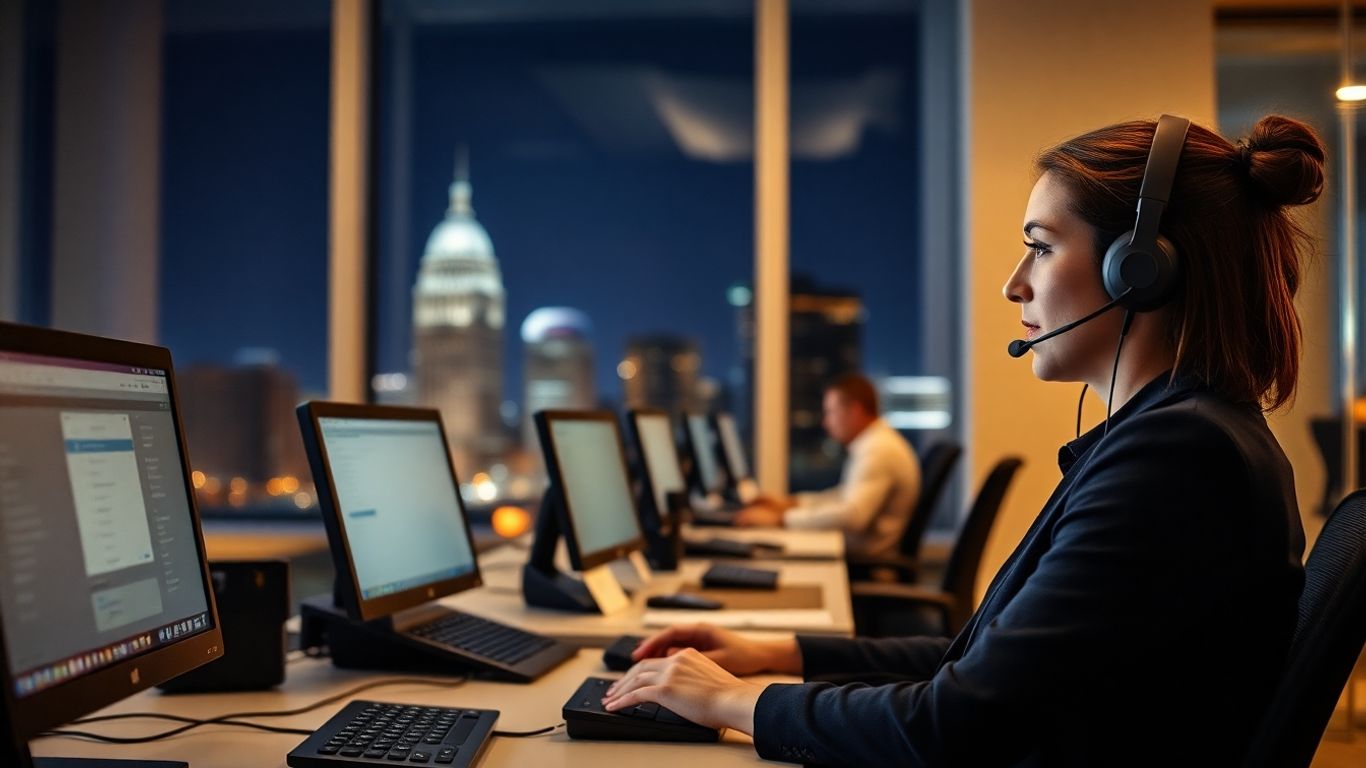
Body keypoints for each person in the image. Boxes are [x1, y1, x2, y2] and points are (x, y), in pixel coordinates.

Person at [601, 114, 1319, 765]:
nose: (1014, 285)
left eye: (1040, 248)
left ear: (1138, 269)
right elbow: (981, 661)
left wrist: (731, 702)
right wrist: (774, 652)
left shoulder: (1179, 460)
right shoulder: (1177, 439)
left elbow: (954, 724)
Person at [735, 373, 921, 559]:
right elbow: (843, 496)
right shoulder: (874, 443)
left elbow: (851, 516)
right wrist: (790, 503)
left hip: (867, 565)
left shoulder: (879, 450)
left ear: (854, 411)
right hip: (856, 556)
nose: (826, 423)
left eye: (831, 412)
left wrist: (780, 519)